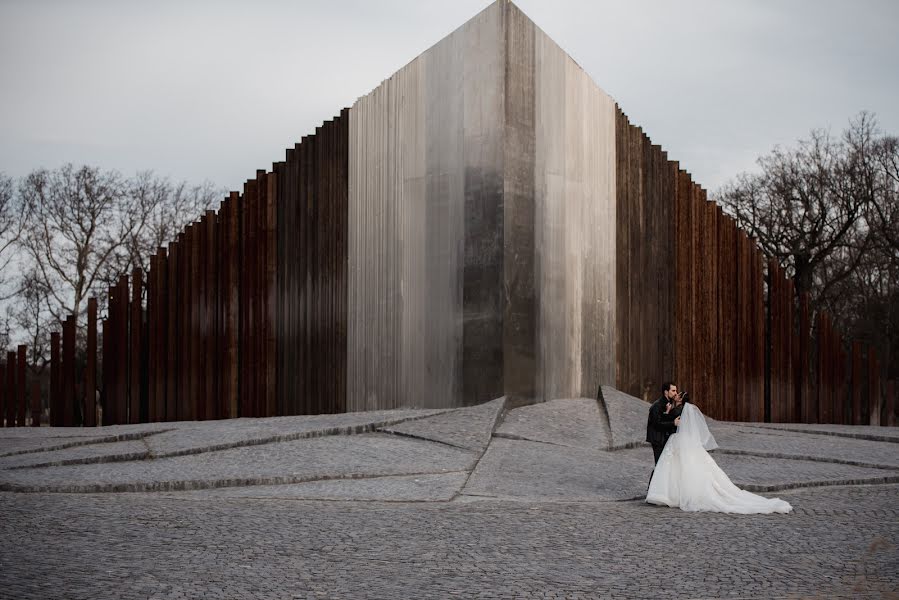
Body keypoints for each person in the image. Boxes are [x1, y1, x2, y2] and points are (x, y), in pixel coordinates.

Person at [646, 398, 793, 514]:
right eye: (674, 391)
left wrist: (667, 412)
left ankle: (673, 494)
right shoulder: (687, 409)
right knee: (684, 468)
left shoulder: (678, 409)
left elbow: (671, 421)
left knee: (678, 468)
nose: (675, 394)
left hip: (679, 441)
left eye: (678, 394)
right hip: (686, 442)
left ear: (681, 399)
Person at [646, 382, 681, 465]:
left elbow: (664, 418)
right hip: (658, 440)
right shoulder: (656, 406)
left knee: (665, 465)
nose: (675, 393)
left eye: (676, 391)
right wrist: (673, 423)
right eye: (673, 391)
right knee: (659, 465)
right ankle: (654, 478)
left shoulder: (669, 403)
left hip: (665, 438)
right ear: (666, 392)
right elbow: (657, 424)